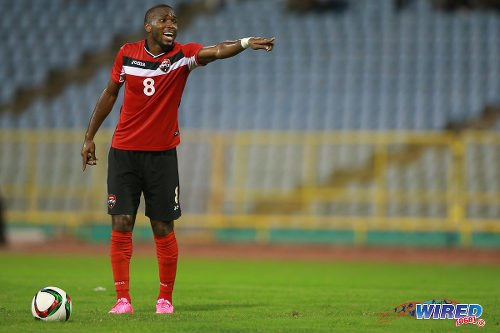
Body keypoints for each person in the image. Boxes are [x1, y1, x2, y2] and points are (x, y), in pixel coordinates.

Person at [81, 4, 274, 314]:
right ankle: (122, 300)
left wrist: (245, 42)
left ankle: (165, 300)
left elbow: (216, 51)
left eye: (174, 20)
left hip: (161, 156)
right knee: (122, 221)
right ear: (149, 26)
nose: (171, 24)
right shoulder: (126, 53)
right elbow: (109, 93)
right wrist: (89, 136)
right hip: (124, 153)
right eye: (164, 20)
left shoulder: (183, 56)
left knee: (162, 227)